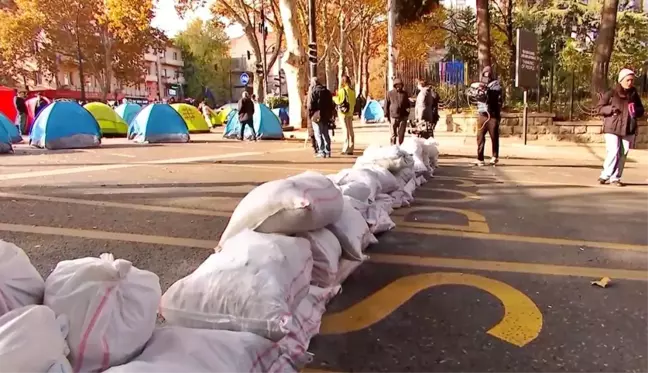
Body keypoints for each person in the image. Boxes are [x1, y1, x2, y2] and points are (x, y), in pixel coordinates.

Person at [596, 68, 644, 186]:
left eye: (632, 80)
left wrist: (635, 111)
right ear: (621, 80)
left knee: (623, 153)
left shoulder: (634, 94)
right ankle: (605, 175)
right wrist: (611, 110)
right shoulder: (612, 93)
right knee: (613, 151)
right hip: (612, 127)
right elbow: (599, 108)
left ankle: (615, 178)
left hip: (628, 128)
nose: (630, 82)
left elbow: (641, 110)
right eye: (628, 80)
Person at [475, 66, 502, 166]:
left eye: (488, 74)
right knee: (480, 137)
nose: (487, 76)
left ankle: (494, 156)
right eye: (485, 74)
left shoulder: (496, 85)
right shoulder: (479, 85)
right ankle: (480, 158)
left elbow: (495, 95)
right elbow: (475, 96)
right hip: (482, 115)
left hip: (492, 116)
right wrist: (478, 89)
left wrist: (488, 90)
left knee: (494, 137)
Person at [308, 77, 334, 158]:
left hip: (316, 115)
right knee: (325, 133)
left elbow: (310, 105)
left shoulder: (313, 91)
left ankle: (321, 151)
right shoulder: (327, 91)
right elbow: (331, 104)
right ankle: (328, 150)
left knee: (318, 133)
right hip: (326, 115)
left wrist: (310, 114)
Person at [333, 75, 356, 155]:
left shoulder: (342, 90)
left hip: (343, 112)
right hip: (350, 111)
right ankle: (351, 147)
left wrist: (334, 97)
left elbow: (339, 101)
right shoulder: (352, 91)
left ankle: (345, 148)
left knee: (345, 129)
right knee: (351, 130)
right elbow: (354, 102)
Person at [385, 78, 411, 145]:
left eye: (400, 85)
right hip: (393, 116)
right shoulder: (390, 93)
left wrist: (407, 114)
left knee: (401, 134)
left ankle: (401, 147)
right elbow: (386, 105)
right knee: (393, 134)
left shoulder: (405, 94)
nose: (398, 87)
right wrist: (386, 115)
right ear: (395, 85)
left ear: (402, 86)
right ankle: (393, 147)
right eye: (397, 85)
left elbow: (408, 105)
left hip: (402, 117)